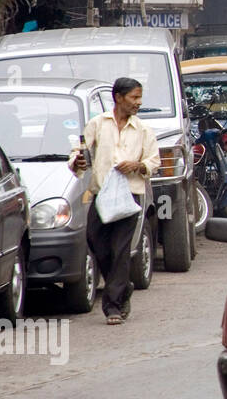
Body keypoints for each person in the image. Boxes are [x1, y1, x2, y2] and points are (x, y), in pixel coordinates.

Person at [68, 77, 160, 325]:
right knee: (98, 245)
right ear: (118, 98)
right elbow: (79, 153)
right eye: (134, 98)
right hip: (101, 196)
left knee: (120, 250)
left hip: (130, 196)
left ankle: (114, 306)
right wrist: (77, 162)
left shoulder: (143, 130)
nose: (138, 103)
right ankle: (123, 287)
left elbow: (153, 161)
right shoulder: (98, 124)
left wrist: (138, 165)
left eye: (139, 98)